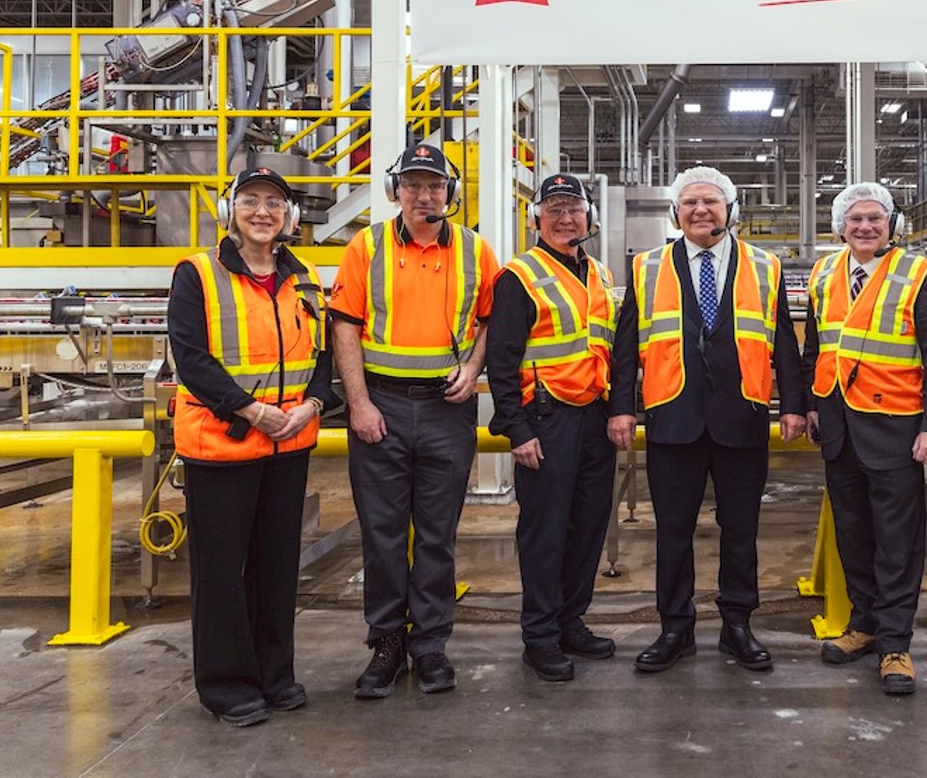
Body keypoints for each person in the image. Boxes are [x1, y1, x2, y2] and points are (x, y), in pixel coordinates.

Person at [608, 166, 807, 673]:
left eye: (711, 202)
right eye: (690, 203)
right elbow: (626, 345)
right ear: (676, 213)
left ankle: (737, 625)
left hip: (742, 414)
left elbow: (784, 340)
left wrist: (794, 404)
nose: (700, 210)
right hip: (672, 415)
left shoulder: (764, 265)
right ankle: (675, 627)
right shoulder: (648, 266)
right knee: (673, 530)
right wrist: (621, 408)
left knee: (741, 529)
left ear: (729, 210)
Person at [167, 166, 336, 726]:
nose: (263, 212)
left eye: (274, 203)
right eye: (251, 201)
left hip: (288, 444)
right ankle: (226, 685)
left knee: (277, 567)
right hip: (222, 445)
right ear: (230, 211)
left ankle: (275, 674)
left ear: (289, 216)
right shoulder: (198, 274)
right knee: (222, 571)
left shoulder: (304, 276)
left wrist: (313, 404)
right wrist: (251, 410)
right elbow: (191, 359)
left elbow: (322, 355)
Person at [329, 142, 499, 699]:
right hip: (381, 406)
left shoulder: (476, 249)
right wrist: (358, 404)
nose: (423, 195)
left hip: (447, 410)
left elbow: (490, 322)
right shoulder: (367, 246)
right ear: (394, 190)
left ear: (450, 192)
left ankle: (430, 645)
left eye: (434, 186)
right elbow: (345, 326)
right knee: (381, 534)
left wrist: (473, 369)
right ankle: (386, 642)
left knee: (437, 534)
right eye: (412, 185)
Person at [802, 182, 927, 696]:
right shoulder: (824, 273)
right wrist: (812, 404)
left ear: (893, 226)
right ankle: (863, 625)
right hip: (839, 428)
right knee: (853, 536)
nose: (865, 227)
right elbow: (816, 348)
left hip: (896, 429)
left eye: (875, 218)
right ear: (840, 227)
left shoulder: (919, 274)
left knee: (897, 544)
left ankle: (895, 644)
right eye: (855, 219)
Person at [488, 174, 618, 683]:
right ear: (536, 219)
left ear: (589, 217)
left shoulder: (600, 274)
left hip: (595, 419)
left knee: (587, 527)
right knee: (545, 533)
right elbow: (501, 362)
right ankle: (540, 636)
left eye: (574, 209)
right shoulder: (519, 276)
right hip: (546, 422)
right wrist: (517, 430)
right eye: (555, 210)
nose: (566, 219)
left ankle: (570, 622)